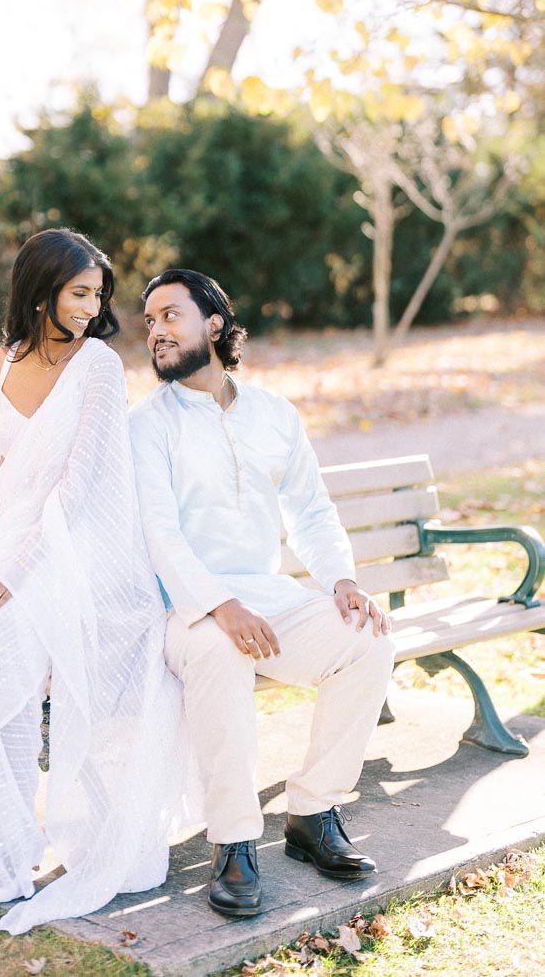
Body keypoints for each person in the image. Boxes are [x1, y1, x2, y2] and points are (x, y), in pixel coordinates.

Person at [0, 229, 187, 935]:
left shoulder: (99, 364)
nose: (92, 306)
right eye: (81, 292)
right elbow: (25, 459)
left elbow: (79, 482)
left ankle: (28, 845)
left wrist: (17, 573)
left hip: (82, 551)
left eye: (98, 294)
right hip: (17, 537)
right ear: (40, 288)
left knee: (3, 642)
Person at [129, 268, 395, 920]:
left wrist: (342, 579)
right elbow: (161, 534)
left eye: (170, 316)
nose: (156, 332)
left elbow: (310, 508)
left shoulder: (275, 414)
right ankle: (235, 842)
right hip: (186, 611)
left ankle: (312, 812)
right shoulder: (148, 424)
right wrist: (218, 605)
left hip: (269, 600)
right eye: (149, 323)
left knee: (366, 641)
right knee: (220, 654)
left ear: (214, 325)